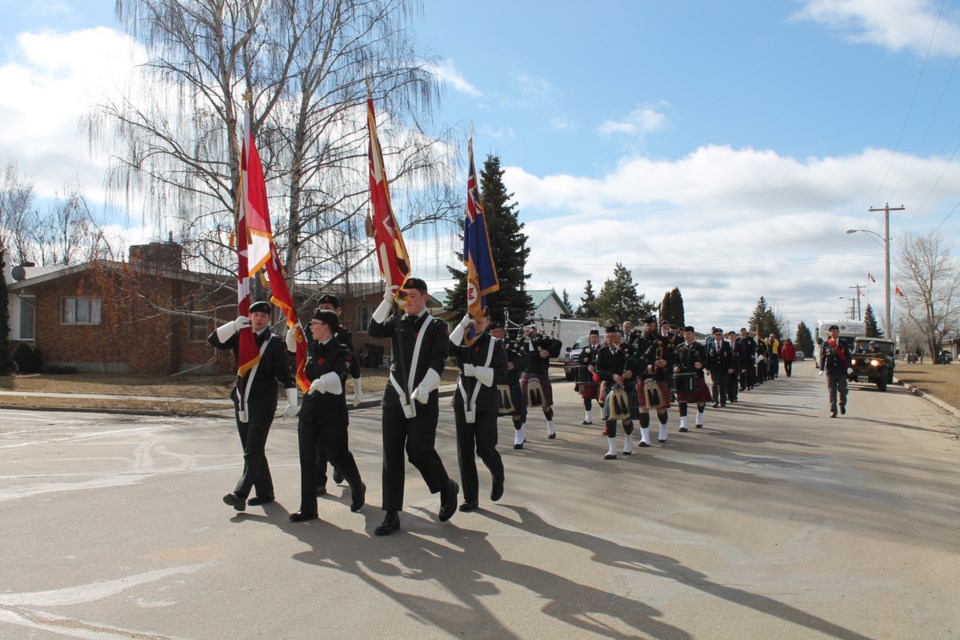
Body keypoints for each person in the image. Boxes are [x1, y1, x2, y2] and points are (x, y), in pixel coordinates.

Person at [367, 277, 458, 536]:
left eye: (413, 296)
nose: (408, 301)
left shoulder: (437, 326)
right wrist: (387, 299)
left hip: (423, 397)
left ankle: (446, 486)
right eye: (404, 296)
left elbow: (439, 359)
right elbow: (374, 329)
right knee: (391, 455)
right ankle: (391, 513)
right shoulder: (397, 321)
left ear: (425, 297)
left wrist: (427, 386)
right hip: (394, 397)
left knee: (418, 452)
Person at [209, 300, 298, 512]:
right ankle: (265, 492)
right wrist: (232, 325)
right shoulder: (241, 336)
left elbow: (285, 375)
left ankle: (240, 494)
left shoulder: (275, 343)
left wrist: (293, 403)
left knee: (253, 449)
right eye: (255, 314)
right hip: (241, 400)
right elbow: (214, 340)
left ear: (269, 319)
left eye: (263, 315)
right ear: (249, 316)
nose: (258, 318)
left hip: (263, 402)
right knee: (251, 449)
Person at [290, 309, 365, 522]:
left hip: (332, 414)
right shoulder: (310, 348)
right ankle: (308, 509)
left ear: (326, 327)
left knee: (339, 455)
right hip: (309, 413)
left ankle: (357, 486)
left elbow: (341, 373)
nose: (310, 327)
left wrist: (324, 382)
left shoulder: (342, 350)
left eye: (314, 323)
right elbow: (293, 360)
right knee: (308, 460)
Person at [449, 311, 508, 512]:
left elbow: (501, 374)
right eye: (473, 321)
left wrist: (477, 372)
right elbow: (446, 349)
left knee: (485, 449)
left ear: (488, 322)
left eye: (480, 322)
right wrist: (462, 323)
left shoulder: (495, 345)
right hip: (463, 401)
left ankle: (498, 476)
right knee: (464, 451)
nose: (476, 325)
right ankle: (470, 498)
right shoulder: (462, 341)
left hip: (485, 403)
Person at [309, 292, 362, 495]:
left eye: (328, 309)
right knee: (317, 444)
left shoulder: (342, 334)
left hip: (334, 390)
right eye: (321, 307)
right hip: (314, 392)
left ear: (338, 311)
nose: (324, 311)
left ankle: (340, 464)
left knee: (335, 441)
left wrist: (358, 390)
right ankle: (318, 481)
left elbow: (353, 362)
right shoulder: (311, 329)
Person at [593, 324, 637, 459]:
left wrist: (631, 372)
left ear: (619, 338)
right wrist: (612, 376)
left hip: (627, 386)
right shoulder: (602, 352)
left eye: (612, 337)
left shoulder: (628, 350)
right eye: (608, 337)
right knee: (610, 418)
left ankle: (628, 441)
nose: (610, 339)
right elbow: (599, 371)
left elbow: (638, 364)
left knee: (626, 419)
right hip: (610, 387)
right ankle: (612, 449)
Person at [633, 315, 674, 445]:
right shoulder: (638, 342)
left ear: (655, 326)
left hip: (659, 377)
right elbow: (634, 361)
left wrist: (665, 361)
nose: (649, 327)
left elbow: (673, 358)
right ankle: (645, 437)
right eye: (646, 325)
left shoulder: (664, 341)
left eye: (651, 325)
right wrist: (645, 367)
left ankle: (663, 430)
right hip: (643, 378)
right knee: (643, 408)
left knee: (661, 408)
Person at [489, 321, 530, 449]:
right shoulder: (487, 346)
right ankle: (490, 440)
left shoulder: (512, 346)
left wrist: (514, 364)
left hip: (510, 382)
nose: (493, 334)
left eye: (496, 331)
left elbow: (525, 359)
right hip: (493, 384)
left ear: (503, 332)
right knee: (490, 413)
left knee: (516, 412)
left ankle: (518, 435)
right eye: (492, 332)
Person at [519, 321, 563, 440]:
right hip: (526, 375)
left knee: (546, 405)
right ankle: (521, 433)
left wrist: (548, 351)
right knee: (523, 406)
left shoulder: (543, 340)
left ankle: (550, 427)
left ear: (536, 330)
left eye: (532, 329)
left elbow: (558, 343)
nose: (529, 332)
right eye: (527, 330)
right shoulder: (521, 342)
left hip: (541, 375)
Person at [674, 326, 710, 431]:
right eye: (685, 333)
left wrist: (701, 365)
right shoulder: (679, 347)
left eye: (689, 333)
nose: (687, 335)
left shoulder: (700, 347)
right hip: (682, 376)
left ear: (693, 335)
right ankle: (683, 424)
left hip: (696, 376)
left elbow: (706, 360)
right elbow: (675, 361)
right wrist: (675, 367)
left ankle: (699, 418)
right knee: (682, 400)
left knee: (700, 400)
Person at [818, 324, 852, 418]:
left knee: (843, 390)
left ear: (838, 332)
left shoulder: (843, 343)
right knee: (831, 392)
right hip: (830, 371)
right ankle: (833, 411)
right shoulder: (826, 343)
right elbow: (823, 357)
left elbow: (848, 356)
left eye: (835, 331)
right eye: (831, 331)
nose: (833, 333)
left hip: (842, 371)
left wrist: (849, 366)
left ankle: (842, 404)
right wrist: (821, 369)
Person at [577, 329, 603, 425]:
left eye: (595, 337)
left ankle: (603, 414)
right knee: (587, 398)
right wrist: (584, 359)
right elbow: (579, 359)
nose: (593, 339)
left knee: (600, 397)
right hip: (587, 378)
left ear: (598, 338)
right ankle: (588, 418)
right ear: (590, 338)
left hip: (599, 377)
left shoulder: (602, 349)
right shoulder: (585, 349)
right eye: (592, 337)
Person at [706, 328, 734, 407]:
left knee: (723, 385)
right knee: (715, 384)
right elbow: (708, 357)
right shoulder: (710, 344)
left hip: (724, 368)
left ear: (722, 335)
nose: (718, 336)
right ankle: (715, 401)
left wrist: (730, 367)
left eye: (720, 334)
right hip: (714, 368)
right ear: (713, 335)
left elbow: (730, 357)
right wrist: (707, 368)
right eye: (716, 334)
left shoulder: (726, 344)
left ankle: (723, 401)